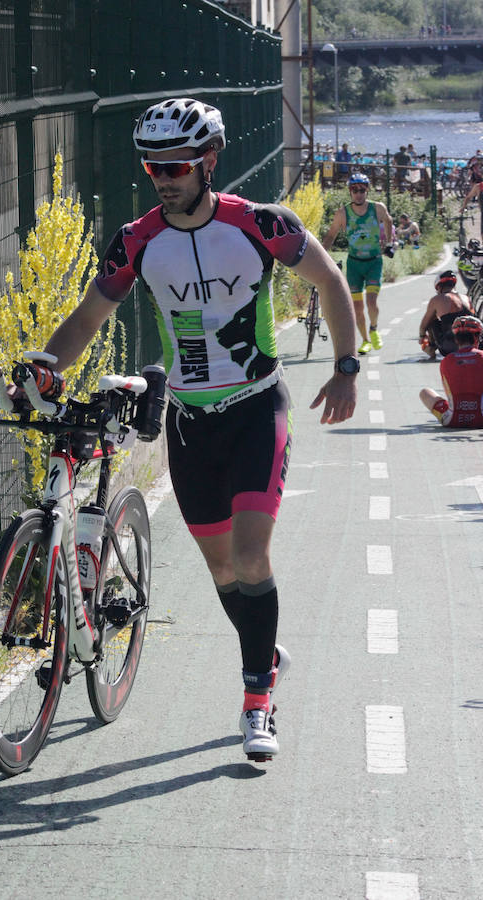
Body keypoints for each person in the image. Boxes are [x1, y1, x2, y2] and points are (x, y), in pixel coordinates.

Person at [39, 98, 358, 761]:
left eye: (178, 165)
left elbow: (330, 281)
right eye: (153, 166)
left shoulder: (261, 224)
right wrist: (43, 365)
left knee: (249, 556)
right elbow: (89, 316)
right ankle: (265, 654)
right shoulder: (136, 239)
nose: (165, 176)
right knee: (221, 571)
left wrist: (346, 367)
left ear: (210, 160)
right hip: (189, 423)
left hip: (255, 410)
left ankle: (256, 700)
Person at [322, 172, 394, 354]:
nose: (358, 193)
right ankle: (365, 340)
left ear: (367, 191)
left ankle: (374, 328)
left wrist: (389, 242)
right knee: (357, 306)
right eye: (354, 190)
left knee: (371, 302)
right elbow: (331, 235)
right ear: (350, 192)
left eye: (362, 190)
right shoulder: (342, 213)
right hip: (354, 264)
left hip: (373, 262)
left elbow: (389, 220)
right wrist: (321, 254)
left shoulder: (377, 208)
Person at [420, 316, 483, 427]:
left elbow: (450, 392)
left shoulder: (446, 361)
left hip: (452, 420)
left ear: (456, 339)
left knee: (425, 392)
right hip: (481, 418)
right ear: (477, 337)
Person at [418, 270, 473, 359]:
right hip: (474, 345)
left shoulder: (437, 299)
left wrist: (422, 338)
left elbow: (423, 326)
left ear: (439, 287)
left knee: (431, 321)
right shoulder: (466, 298)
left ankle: (431, 351)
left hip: (450, 347)